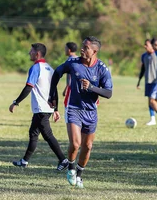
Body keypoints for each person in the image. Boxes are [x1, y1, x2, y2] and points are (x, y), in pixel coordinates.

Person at [48, 36, 113, 188]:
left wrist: (91, 87)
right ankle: (71, 168)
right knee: (76, 144)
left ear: (95, 51)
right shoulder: (73, 63)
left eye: (86, 48)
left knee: (88, 146)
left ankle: (79, 175)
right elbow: (57, 74)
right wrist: (53, 96)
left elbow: (108, 93)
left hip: (91, 111)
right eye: (82, 47)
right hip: (73, 108)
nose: (82, 49)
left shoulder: (102, 69)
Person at [9, 43, 69, 170]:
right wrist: (56, 109)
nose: (29, 53)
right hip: (45, 108)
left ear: (37, 54)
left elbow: (29, 87)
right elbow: (55, 91)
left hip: (42, 108)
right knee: (33, 133)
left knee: (47, 135)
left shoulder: (36, 68)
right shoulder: (49, 68)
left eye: (31, 51)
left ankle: (63, 160)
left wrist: (16, 102)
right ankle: (24, 161)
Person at [137, 39, 157, 126]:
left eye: (146, 45)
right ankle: (153, 118)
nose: (145, 46)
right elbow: (143, 69)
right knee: (150, 100)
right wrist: (139, 81)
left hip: (156, 81)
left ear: (151, 45)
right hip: (148, 81)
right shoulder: (144, 56)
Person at [62, 42, 78, 108]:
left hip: (71, 87)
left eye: (65, 48)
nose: (64, 50)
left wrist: (66, 88)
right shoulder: (79, 59)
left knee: (68, 105)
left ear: (69, 50)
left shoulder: (69, 61)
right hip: (79, 87)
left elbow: (69, 76)